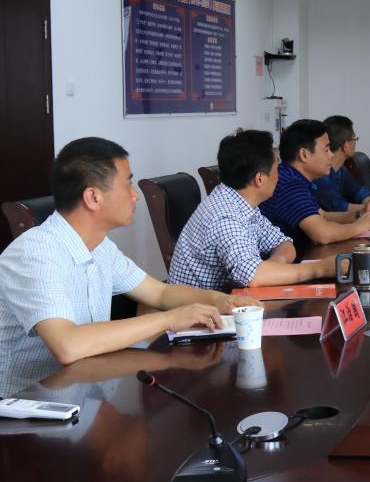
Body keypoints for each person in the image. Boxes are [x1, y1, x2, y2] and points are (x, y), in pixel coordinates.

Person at [0, 137, 256, 396]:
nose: (135, 195)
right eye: (127, 184)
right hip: (22, 407)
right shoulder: (36, 252)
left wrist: (219, 300)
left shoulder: (100, 246)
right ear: (93, 197)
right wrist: (168, 320)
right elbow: (68, 345)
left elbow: (160, 293)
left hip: (80, 392)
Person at [169, 129, 341, 291]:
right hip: (197, 308)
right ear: (259, 179)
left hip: (229, 301)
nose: (279, 176)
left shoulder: (243, 202)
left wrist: (272, 268)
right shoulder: (224, 215)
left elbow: (284, 244)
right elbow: (253, 277)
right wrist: (320, 269)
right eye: (276, 170)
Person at [260, 119, 370, 246]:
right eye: (326, 150)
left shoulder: (293, 177)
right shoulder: (289, 185)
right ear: (304, 155)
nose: (331, 155)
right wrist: (360, 226)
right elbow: (323, 234)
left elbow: (323, 216)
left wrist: (362, 213)